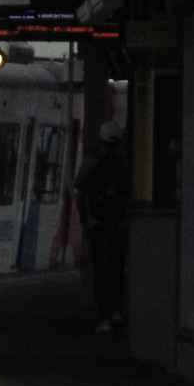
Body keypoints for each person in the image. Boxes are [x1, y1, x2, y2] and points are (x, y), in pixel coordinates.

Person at [76, 121, 130, 333]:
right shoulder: (125, 164)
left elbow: (81, 192)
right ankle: (117, 311)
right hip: (119, 225)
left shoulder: (90, 164)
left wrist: (85, 221)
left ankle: (103, 317)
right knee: (117, 270)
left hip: (98, 226)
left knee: (102, 272)